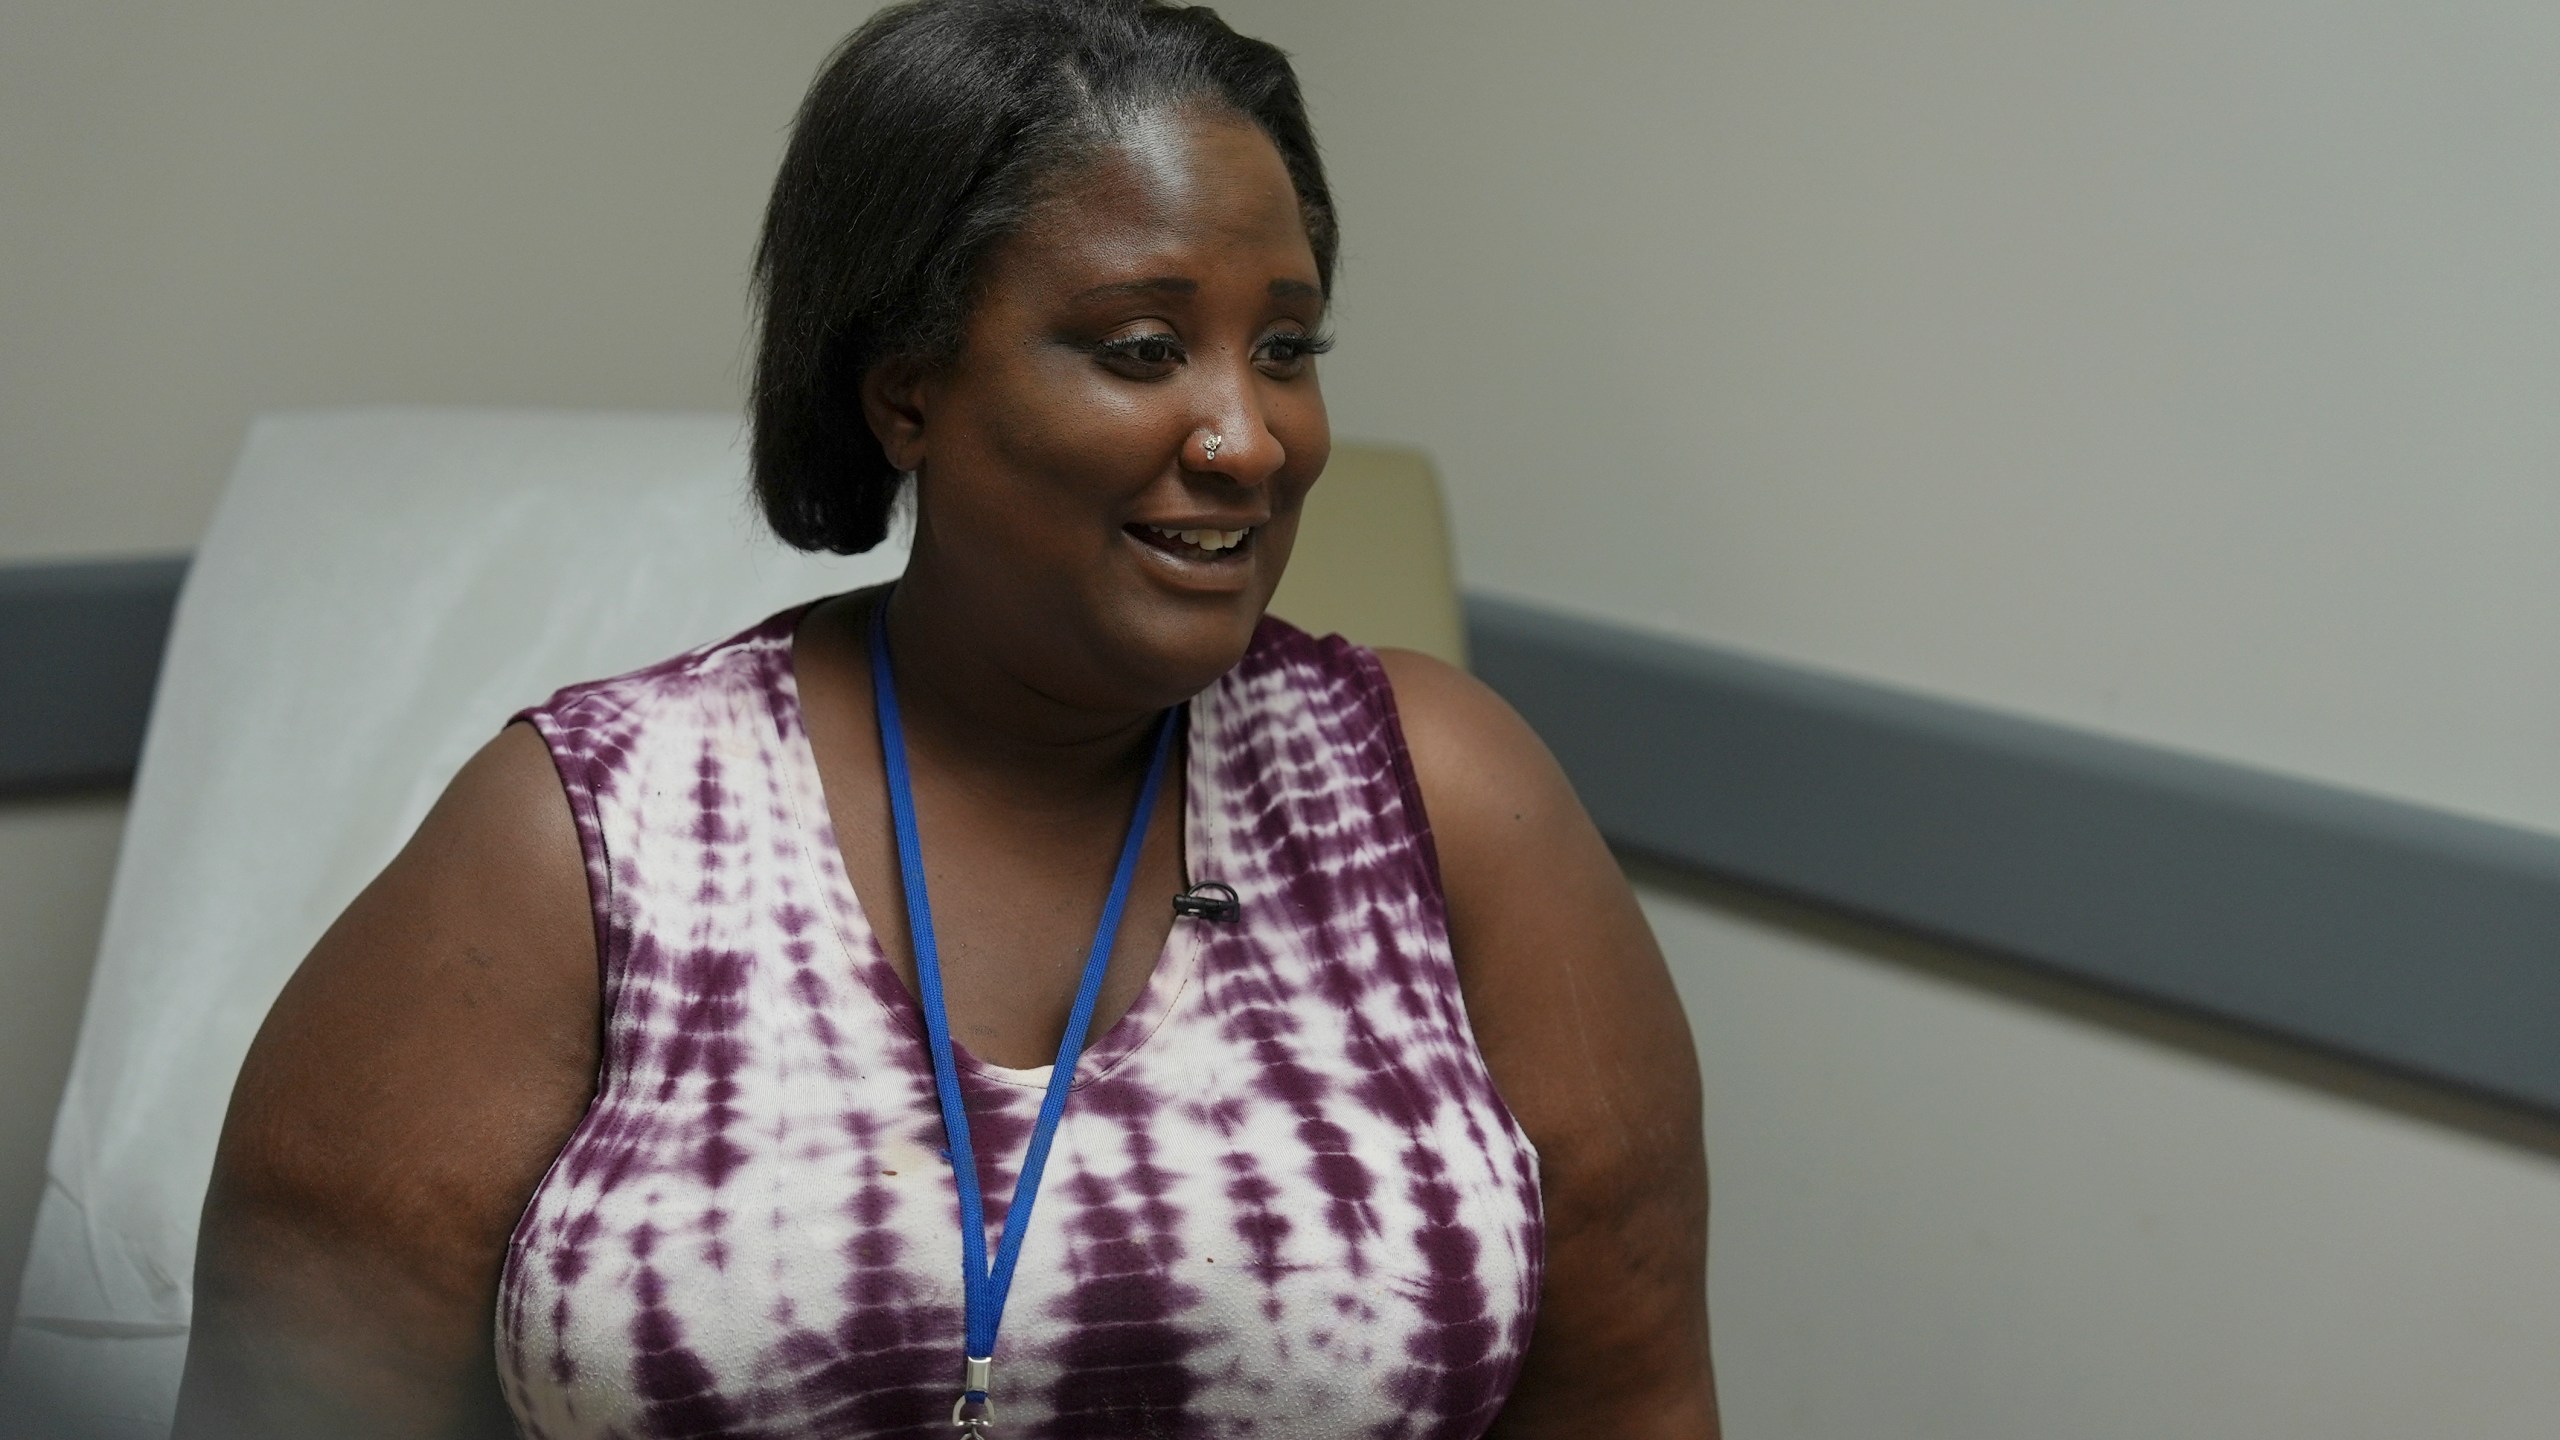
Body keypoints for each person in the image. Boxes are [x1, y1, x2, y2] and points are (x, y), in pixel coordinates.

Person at [173, 2, 1718, 1435]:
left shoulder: (1442, 798)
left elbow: (1634, 1397)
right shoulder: (588, 838)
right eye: (1140, 348)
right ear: (906, 392)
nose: (1251, 439)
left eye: (1289, 349)